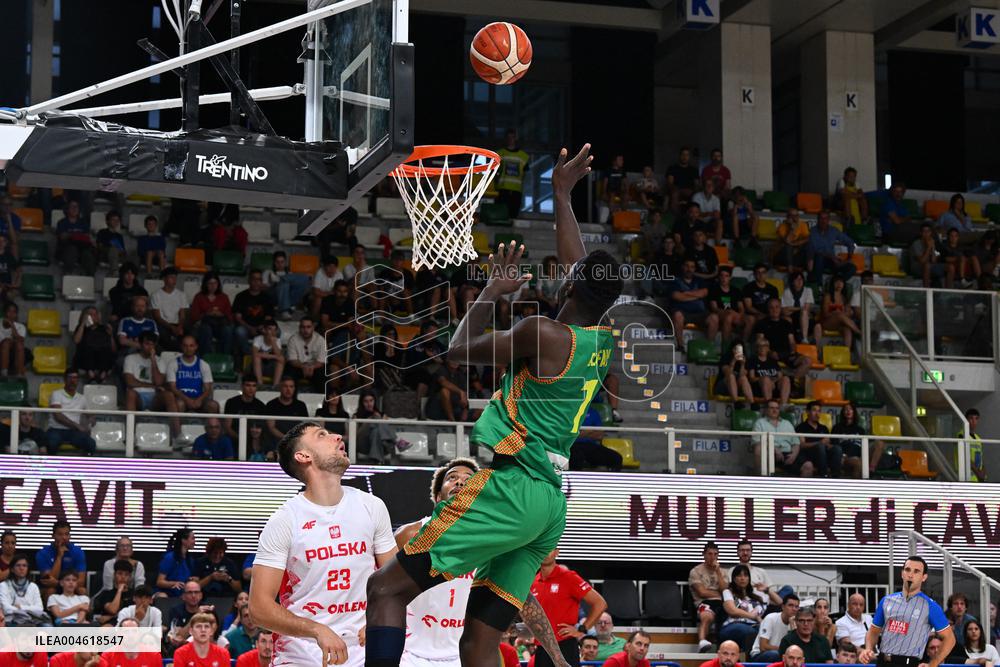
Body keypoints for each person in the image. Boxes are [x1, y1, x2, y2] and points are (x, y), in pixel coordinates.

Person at [364, 143, 622, 667]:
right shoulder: (600, 339)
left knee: (385, 590)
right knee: (479, 642)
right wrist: (561, 194)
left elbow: (458, 349)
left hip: (514, 486)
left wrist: (490, 292)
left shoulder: (542, 332)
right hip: (550, 503)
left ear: (573, 284)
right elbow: (579, 267)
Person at [397, 459, 572, 667]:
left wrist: (558, 658)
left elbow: (524, 601)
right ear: (437, 497)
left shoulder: (495, 545)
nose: (460, 482)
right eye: (452, 477)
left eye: (468, 479)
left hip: (463, 657)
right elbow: (379, 589)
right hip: (410, 655)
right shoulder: (410, 534)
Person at [249, 422, 397, 666]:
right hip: (302, 651)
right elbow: (258, 608)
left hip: (363, 647)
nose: (337, 436)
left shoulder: (372, 506)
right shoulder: (284, 520)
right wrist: (317, 630)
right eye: (322, 435)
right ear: (303, 456)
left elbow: (396, 581)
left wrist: (379, 618)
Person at [859, 555, 956, 667]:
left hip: (908, 663)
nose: (910, 575)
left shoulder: (930, 606)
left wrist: (932, 664)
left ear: (924, 577)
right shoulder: (886, 601)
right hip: (882, 661)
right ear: (902, 573)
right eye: (907, 570)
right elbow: (873, 631)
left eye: (916, 571)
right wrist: (868, 648)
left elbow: (950, 639)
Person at [530, 550, 608, 667]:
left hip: (565, 646)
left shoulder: (568, 577)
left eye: (549, 549)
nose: (545, 553)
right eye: (542, 549)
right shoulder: (534, 581)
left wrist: (582, 629)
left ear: (556, 552)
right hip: (542, 648)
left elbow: (600, 603)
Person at [166, 335, 220, 423]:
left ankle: (210, 429)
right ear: (181, 347)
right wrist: (187, 400)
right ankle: (179, 431)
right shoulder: (173, 364)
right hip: (181, 399)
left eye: (191, 345)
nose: (188, 348)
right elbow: (173, 388)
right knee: (179, 404)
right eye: (185, 346)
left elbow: (208, 389)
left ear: (196, 347)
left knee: (213, 405)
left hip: (199, 400)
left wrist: (199, 400)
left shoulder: (203, 364)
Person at [670, 258, 719, 353]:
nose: (689, 269)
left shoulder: (699, 280)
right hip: (683, 312)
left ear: (695, 269)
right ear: (683, 267)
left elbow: (704, 293)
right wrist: (696, 295)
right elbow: (676, 296)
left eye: (692, 267)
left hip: (700, 313)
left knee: (714, 318)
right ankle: (680, 345)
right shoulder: (676, 280)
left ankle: (709, 348)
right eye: (687, 266)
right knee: (677, 315)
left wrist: (685, 293)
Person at [123, 331, 174, 416]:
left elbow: (158, 382)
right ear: (140, 344)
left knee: (169, 395)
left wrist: (153, 360)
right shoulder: (130, 358)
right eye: (147, 344)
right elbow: (130, 382)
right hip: (137, 395)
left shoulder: (160, 360)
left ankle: (176, 425)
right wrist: (153, 386)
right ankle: (130, 424)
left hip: (155, 397)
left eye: (152, 344)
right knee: (130, 393)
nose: (150, 347)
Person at [690, 541, 727, 653]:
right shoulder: (696, 571)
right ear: (704, 555)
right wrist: (719, 593)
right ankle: (702, 641)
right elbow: (702, 592)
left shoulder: (723, 572)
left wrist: (718, 572)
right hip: (704, 602)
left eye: (715, 554)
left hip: (721, 603)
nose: (713, 557)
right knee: (706, 616)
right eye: (710, 554)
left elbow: (725, 590)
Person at [720, 565, 767, 652]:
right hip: (734, 625)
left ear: (749, 578)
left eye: (745, 575)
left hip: (754, 626)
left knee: (766, 633)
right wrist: (753, 616)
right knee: (750, 632)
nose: (742, 578)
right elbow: (732, 610)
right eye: (739, 575)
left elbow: (779, 602)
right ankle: (750, 658)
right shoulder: (729, 592)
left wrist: (768, 590)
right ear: (734, 579)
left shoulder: (756, 596)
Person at [834, 402, 885, 479]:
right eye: (846, 409)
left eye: (850, 409)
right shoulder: (837, 428)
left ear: (854, 412)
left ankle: (871, 470)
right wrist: (842, 456)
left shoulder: (860, 430)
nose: (848, 411)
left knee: (880, 443)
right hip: (846, 458)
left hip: (861, 456)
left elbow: (864, 445)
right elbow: (834, 446)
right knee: (857, 462)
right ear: (843, 412)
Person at [234, 269, 277, 358]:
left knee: (277, 332)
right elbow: (238, 317)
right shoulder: (240, 296)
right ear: (249, 280)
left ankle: (267, 355)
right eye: (254, 279)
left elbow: (269, 317)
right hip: (246, 327)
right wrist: (250, 328)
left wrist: (260, 327)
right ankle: (250, 354)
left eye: (259, 279)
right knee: (239, 331)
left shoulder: (267, 297)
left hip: (262, 327)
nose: (257, 282)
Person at [751, 400, 802, 475]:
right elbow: (757, 441)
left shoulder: (787, 423)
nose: (775, 410)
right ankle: (761, 479)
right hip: (769, 453)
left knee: (808, 466)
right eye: (772, 408)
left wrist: (794, 455)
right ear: (766, 410)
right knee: (758, 448)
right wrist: (774, 449)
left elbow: (796, 443)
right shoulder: (759, 423)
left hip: (788, 454)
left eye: (777, 408)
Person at [725, 540, 782, 606]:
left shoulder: (761, 571)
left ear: (751, 552)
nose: (745, 553)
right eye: (742, 550)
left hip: (763, 601)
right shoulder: (731, 571)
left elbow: (776, 598)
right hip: (743, 602)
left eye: (748, 550)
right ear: (738, 552)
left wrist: (766, 590)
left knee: (787, 590)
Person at [795, 401, 842, 478]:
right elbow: (802, 445)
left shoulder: (824, 428)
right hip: (809, 455)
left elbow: (828, 443)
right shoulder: (801, 427)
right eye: (814, 410)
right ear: (808, 412)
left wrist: (829, 445)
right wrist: (819, 443)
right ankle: (823, 475)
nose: (817, 413)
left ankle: (836, 477)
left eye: (819, 411)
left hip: (824, 454)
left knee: (837, 449)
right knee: (820, 446)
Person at [807, 210, 857, 284]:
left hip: (831, 261)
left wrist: (849, 257)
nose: (823, 221)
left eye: (825, 218)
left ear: (828, 220)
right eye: (821, 218)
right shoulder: (812, 231)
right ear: (818, 219)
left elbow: (850, 242)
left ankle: (835, 282)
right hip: (816, 260)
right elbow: (814, 249)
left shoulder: (833, 231)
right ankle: (818, 286)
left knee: (852, 268)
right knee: (819, 257)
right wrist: (831, 257)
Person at [190, 272, 234, 354]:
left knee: (227, 330)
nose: (213, 286)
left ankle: (223, 357)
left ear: (218, 284)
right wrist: (207, 313)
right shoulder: (199, 297)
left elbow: (230, 317)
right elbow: (193, 317)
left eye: (215, 283)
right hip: (205, 325)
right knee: (206, 329)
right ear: (205, 284)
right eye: (210, 283)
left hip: (220, 325)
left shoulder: (224, 297)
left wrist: (221, 314)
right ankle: (206, 357)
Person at [0, 556, 49, 627]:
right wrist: (30, 609)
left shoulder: (33, 586)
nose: (21, 568)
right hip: (12, 620)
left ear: (27, 569)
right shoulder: (3, 585)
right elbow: (6, 609)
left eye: (24, 565)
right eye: (18, 565)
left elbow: (39, 608)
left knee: (48, 627)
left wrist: (21, 607)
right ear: (12, 569)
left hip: (33, 620)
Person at [751, 593, 800, 662]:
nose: (794, 609)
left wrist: (793, 629)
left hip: (783, 655)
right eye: (790, 605)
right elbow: (763, 647)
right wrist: (785, 650)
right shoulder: (771, 618)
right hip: (759, 655)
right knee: (775, 654)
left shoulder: (797, 623)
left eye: (796, 607)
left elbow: (796, 650)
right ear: (783, 607)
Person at [72, 305, 116, 382]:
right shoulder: (81, 328)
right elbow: (76, 341)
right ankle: (91, 374)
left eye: (96, 314)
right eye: (91, 314)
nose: (94, 316)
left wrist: (111, 336)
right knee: (87, 347)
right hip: (85, 359)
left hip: (100, 358)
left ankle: (103, 374)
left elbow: (113, 349)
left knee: (105, 349)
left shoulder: (104, 328)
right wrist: (83, 323)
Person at [150, 266, 189, 351]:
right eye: (171, 277)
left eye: (175, 278)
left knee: (190, 333)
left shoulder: (181, 295)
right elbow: (157, 317)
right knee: (162, 334)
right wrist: (172, 328)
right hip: (163, 325)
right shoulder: (156, 295)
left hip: (177, 324)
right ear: (164, 279)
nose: (174, 280)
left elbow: (182, 316)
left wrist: (180, 327)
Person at [817, 276, 860, 351]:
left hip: (839, 323)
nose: (839, 284)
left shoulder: (844, 298)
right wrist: (836, 313)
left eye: (841, 282)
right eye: (837, 282)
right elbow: (825, 314)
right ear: (832, 284)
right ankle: (858, 332)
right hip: (827, 322)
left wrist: (844, 313)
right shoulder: (828, 296)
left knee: (847, 329)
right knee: (839, 315)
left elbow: (848, 314)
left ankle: (846, 352)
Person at [264, 251, 310, 319]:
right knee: (284, 284)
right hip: (274, 297)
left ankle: (280, 279)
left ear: (285, 262)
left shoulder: (290, 274)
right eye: (277, 262)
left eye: (282, 262)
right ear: (274, 262)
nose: (280, 264)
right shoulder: (268, 272)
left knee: (305, 277)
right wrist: (272, 284)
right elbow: (263, 289)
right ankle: (284, 310)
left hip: (289, 297)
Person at [286, 316, 327, 392]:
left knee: (322, 373)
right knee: (290, 372)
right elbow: (292, 360)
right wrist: (303, 366)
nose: (305, 330)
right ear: (299, 328)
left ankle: (320, 398)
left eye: (308, 327)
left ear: (313, 328)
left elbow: (321, 362)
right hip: (298, 367)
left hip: (315, 368)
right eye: (303, 327)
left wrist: (311, 367)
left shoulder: (320, 340)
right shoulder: (293, 339)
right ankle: (292, 397)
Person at [55, 200, 96, 274]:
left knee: (88, 254)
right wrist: (74, 235)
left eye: (76, 207)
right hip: (67, 248)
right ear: (67, 209)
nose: (74, 209)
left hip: (81, 248)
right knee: (72, 250)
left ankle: (90, 277)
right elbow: (62, 237)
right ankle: (68, 274)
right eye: (72, 206)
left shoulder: (83, 222)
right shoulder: (62, 222)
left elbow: (88, 236)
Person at [496, 128, 530, 218]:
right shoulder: (500, 153)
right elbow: (495, 171)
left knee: (513, 215)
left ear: (516, 138)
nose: (510, 139)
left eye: (512, 137)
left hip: (516, 190)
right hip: (503, 188)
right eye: (509, 137)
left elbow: (525, 173)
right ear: (506, 138)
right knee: (501, 214)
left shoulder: (523, 156)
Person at [747, 339, 790, 407]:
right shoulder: (752, 360)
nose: (762, 348)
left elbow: (780, 376)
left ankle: (783, 405)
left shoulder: (773, 361)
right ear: (757, 348)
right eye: (760, 346)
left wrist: (772, 381)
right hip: (760, 387)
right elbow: (752, 378)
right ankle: (769, 406)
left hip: (774, 385)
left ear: (768, 348)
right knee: (766, 379)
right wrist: (766, 380)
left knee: (786, 379)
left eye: (764, 346)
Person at [91, 559, 134, 626]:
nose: (123, 577)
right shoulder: (106, 594)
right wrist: (119, 591)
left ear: (130, 577)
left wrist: (111, 617)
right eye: (120, 573)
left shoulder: (134, 594)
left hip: (130, 624)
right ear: (114, 575)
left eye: (126, 575)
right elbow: (113, 610)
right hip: (111, 624)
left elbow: (137, 613)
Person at [265, 376, 309, 441]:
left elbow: (305, 427)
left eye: (291, 387)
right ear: (280, 388)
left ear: (294, 388)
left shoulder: (301, 405)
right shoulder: (271, 404)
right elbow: (271, 427)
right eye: (285, 386)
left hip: (296, 441)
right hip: (276, 441)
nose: (288, 389)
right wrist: (286, 439)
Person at [910, 223, 954, 288]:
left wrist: (932, 247)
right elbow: (922, 261)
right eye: (924, 231)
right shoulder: (916, 243)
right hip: (918, 267)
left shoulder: (933, 242)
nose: (926, 234)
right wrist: (928, 247)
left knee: (950, 267)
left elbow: (934, 261)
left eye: (928, 231)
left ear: (931, 233)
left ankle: (948, 291)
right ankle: (926, 290)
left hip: (931, 266)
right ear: (921, 233)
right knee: (927, 265)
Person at [156, 528, 197, 597]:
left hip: (182, 594)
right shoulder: (169, 557)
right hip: (166, 593)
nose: (194, 541)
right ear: (183, 540)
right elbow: (159, 582)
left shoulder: (190, 560)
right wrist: (174, 583)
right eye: (192, 538)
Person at [781, 272, 815, 344]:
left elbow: (806, 308)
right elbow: (784, 311)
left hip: (805, 317)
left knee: (804, 313)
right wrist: (800, 308)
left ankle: (804, 339)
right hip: (792, 317)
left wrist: (791, 308)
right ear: (792, 281)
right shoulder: (787, 292)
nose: (799, 281)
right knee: (787, 319)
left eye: (801, 279)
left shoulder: (808, 290)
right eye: (797, 279)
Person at [250, 317, 285, 386]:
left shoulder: (277, 340)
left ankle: (275, 386)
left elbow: (279, 356)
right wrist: (273, 356)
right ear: (264, 330)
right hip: (258, 367)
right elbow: (255, 354)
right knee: (256, 358)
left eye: (274, 330)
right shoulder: (258, 339)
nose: (272, 332)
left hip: (271, 368)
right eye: (270, 329)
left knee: (281, 359)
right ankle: (260, 385)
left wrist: (273, 343)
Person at [665, 146, 700, 213]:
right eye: (683, 154)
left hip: (689, 191)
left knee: (696, 194)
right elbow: (670, 183)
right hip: (676, 190)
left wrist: (694, 190)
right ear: (679, 156)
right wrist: (676, 189)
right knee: (674, 193)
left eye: (687, 155)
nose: (685, 157)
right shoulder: (672, 168)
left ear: (689, 157)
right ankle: (676, 215)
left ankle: (692, 214)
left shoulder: (694, 170)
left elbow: (697, 184)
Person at [957, 408, 985, 483]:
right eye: (971, 418)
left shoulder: (978, 438)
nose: (974, 421)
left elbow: (981, 459)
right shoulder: (961, 435)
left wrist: (983, 472)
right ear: (966, 420)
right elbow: (965, 456)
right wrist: (978, 473)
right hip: (966, 478)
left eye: (976, 419)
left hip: (978, 479)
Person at [0, 302, 28, 378]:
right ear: (5, 313)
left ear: (16, 314)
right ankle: (3, 372)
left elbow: (21, 342)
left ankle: (20, 372)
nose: (11, 314)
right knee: (6, 342)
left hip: (15, 355)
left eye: (14, 312)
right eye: (9, 311)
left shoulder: (21, 327)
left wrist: (12, 326)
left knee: (19, 344)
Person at [0, 234, 21, 301]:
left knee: (10, 295)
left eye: (3, 241)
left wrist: (15, 284)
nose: (1, 243)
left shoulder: (8, 255)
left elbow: (19, 270)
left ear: (6, 243)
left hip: (7, 286)